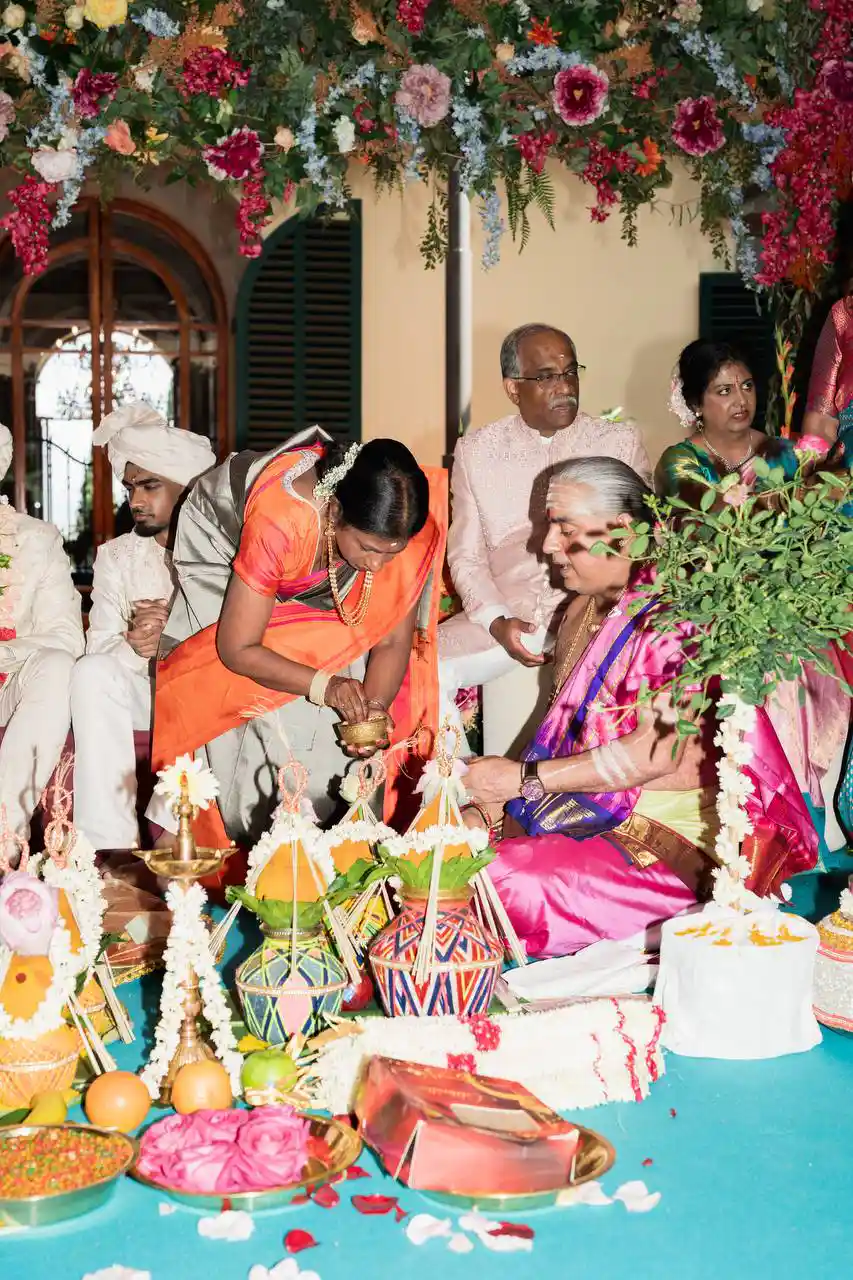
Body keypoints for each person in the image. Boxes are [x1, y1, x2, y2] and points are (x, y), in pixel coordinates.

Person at [462, 457, 818, 959]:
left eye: (563, 528)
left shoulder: (676, 615)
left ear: (624, 532)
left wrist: (522, 780)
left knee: (498, 883)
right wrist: (491, 801)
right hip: (580, 808)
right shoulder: (580, 610)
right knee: (449, 841)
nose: (545, 545)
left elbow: (653, 754)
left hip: (668, 839)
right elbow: (557, 730)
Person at [152, 436, 447, 849]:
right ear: (335, 511)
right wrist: (326, 686)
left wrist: (369, 716)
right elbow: (237, 648)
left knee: (341, 668)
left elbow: (391, 641)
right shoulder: (282, 519)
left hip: (303, 553)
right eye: (368, 548)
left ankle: (335, 844)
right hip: (222, 547)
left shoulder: (403, 525)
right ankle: (228, 838)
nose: (378, 565)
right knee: (235, 688)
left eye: (390, 554)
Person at [657, 339, 850, 851]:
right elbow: (720, 521)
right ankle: (762, 827)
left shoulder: (782, 454)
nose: (740, 398)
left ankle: (809, 818)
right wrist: (821, 487)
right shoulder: (679, 463)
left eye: (745, 385)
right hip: (711, 606)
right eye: (722, 390)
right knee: (767, 668)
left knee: (814, 653)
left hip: (784, 602)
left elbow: (809, 535)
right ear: (696, 403)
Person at [439, 323, 651, 745]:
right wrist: (496, 619)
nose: (565, 386)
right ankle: (456, 794)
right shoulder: (476, 451)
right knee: (423, 666)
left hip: (599, 613)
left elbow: (645, 540)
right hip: (509, 614)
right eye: (547, 377)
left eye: (570, 372)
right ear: (513, 388)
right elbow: (465, 556)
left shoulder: (617, 442)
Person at [70, 403, 216, 851]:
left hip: (206, 689)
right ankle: (110, 846)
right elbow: (98, 649)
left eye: (149, 486)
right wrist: (136, 646)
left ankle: (174, 837)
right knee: (89, 672)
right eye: (130, 487)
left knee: (202, 679)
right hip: (139, 695)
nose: (135, 500)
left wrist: (172, 635)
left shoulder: (226, 549)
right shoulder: (117, 556)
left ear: (188, 487)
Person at [0, 423, 84, 840]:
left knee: (56, 665)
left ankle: (4, 838)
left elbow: (67, 638)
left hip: (11, 687)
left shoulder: (37, 540)